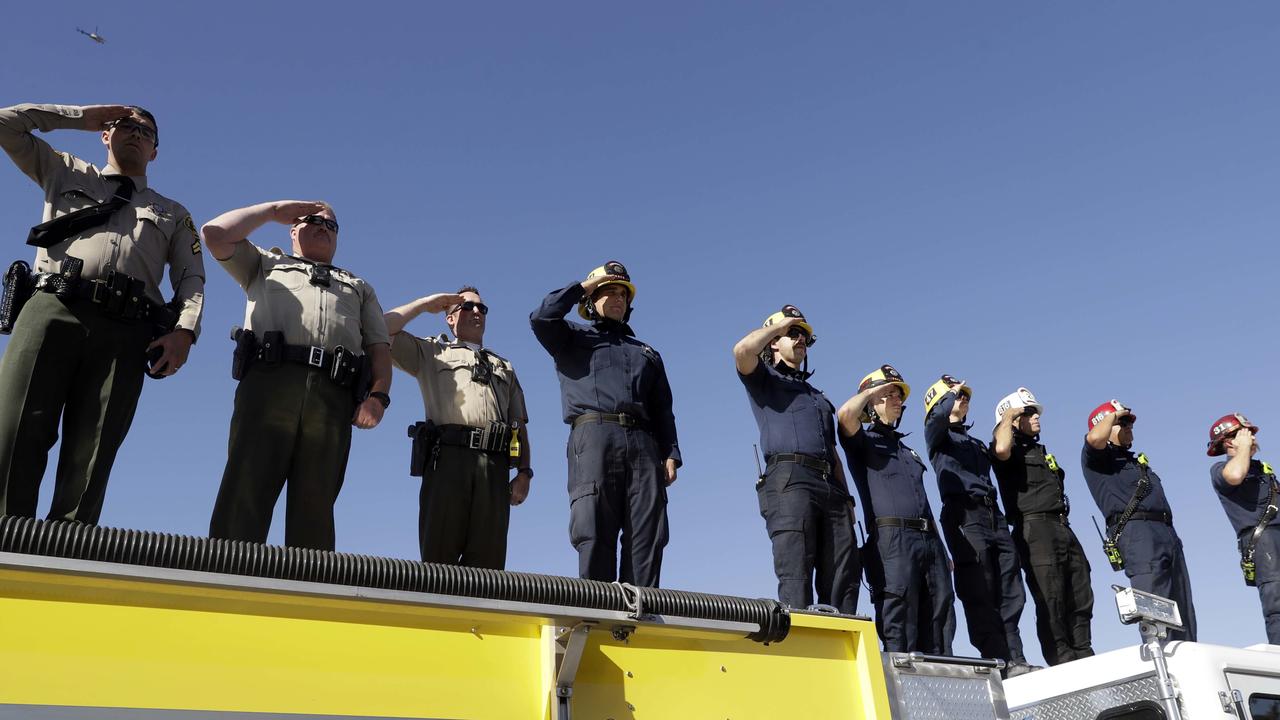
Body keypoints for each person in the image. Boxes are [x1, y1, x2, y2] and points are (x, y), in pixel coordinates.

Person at [0, 103, 204, 523]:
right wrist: (82, 116)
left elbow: (191, 278)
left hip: (127, 330)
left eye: (146, 132)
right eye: (124, 126)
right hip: (52, 308)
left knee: (92, 451)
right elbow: (6, 125)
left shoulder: (174, 214)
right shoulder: (64, 171)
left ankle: (67, 557)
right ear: (104, 134)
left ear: (155, 153)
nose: (135, 133)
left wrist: (185, 331)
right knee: (16, 430)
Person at [202, 200, 391, 551]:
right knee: (246, 488)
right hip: (269, 383)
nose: (323, 227)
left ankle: (308, 594)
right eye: (312, 221)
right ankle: (228, 583)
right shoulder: (263, 263)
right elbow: (214, 234)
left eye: (331, 225)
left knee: (316, 503)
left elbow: (380, 349)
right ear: (291, 228)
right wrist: (272, 210)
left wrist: (378, 398)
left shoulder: (358, 286)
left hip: (332, 394)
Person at [530, 261, 679, 587]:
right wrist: (585, 284)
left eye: (622, 294)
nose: (616, 298)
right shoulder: (570, 337)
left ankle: (641, 613)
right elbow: (541, 317)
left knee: (648, 531)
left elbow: (663, 409)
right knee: (594, 526)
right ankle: (596, 610)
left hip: (644, 443)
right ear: (589, 300)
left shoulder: (646, 353)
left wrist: (670, 452)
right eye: (608, 292)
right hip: (593, 437)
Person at [383, 287, 531, 568]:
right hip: (447, 463)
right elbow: (380, 328)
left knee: (489, 570)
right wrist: (424, 304)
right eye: (467, 307)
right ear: (449, 318)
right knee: (439, 564)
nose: (477, 312)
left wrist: (524, 472)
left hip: (493, 467)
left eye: (481, 308)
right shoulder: (431, 353)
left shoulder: (504, 366)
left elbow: (518, 424)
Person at [733, 305, 858, 613]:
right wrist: (780, 325)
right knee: (796, 570)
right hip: (790, 479)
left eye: (804, 335)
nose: (800, 339)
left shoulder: (817, 396)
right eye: (793, 334)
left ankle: (840, 648)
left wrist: (848, 499)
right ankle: (801, 648)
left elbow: (834, 452)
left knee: (844, 573)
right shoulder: (763, 379)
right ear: (774, 341)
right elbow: (742, 350)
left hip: (831, 486)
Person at [838, 364, 955, 652]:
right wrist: (871, 390)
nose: (896, 399)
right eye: (887, 394)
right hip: (892, 541)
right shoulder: (862, 442)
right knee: (899, 616)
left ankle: (943, 672)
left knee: (941, 610)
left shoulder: (907, 451)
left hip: (929, 542)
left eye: (898, 394)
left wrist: (942, 548)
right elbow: (845, 416)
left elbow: (924, 503)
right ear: (871, 402)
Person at [923, 375, 1032, 676]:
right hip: (964, 515)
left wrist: (1009, 416)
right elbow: (935, 420)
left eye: (966, 396)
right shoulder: (938, 436)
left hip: (992, 515)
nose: (964, 399)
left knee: (1011, 588)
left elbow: (1001, 451)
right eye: (958, 396)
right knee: (979, 589)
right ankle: (999, 661)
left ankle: (1017, 659)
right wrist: (949, 394)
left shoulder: (972, 441)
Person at [990, 388, 1093, 666]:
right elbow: (1000, 448)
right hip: (1034, 529)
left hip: (1062, 525)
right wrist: (1009, 416)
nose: (1036, 417)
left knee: (1080, 590)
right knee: (1051, 597)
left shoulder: (1039, 449)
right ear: (1011, 419)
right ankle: (1062, 659)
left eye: (1035, 412)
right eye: (1028, 412)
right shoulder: (1006, 447)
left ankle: (1084, 651)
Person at [1082, 399, 1196, 641]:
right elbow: (1094, 440)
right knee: (1157, 611)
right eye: (1121, 423)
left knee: (1184, 610)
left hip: (1165, 532)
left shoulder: (1135, 462)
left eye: (1128, 422)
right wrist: (1113, 414)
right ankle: (1163, 665)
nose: (1128, 426)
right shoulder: (1098, 460)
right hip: (1138, 534)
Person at [1207, 413, 1280, 643]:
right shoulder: (1221, 469)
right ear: (1229, 441)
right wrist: (1243, 449)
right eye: (1245, 432)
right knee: (1278, 605)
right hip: (1264, 542)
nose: (1252, 436)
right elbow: (1236, 474)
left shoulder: (1262, 470)